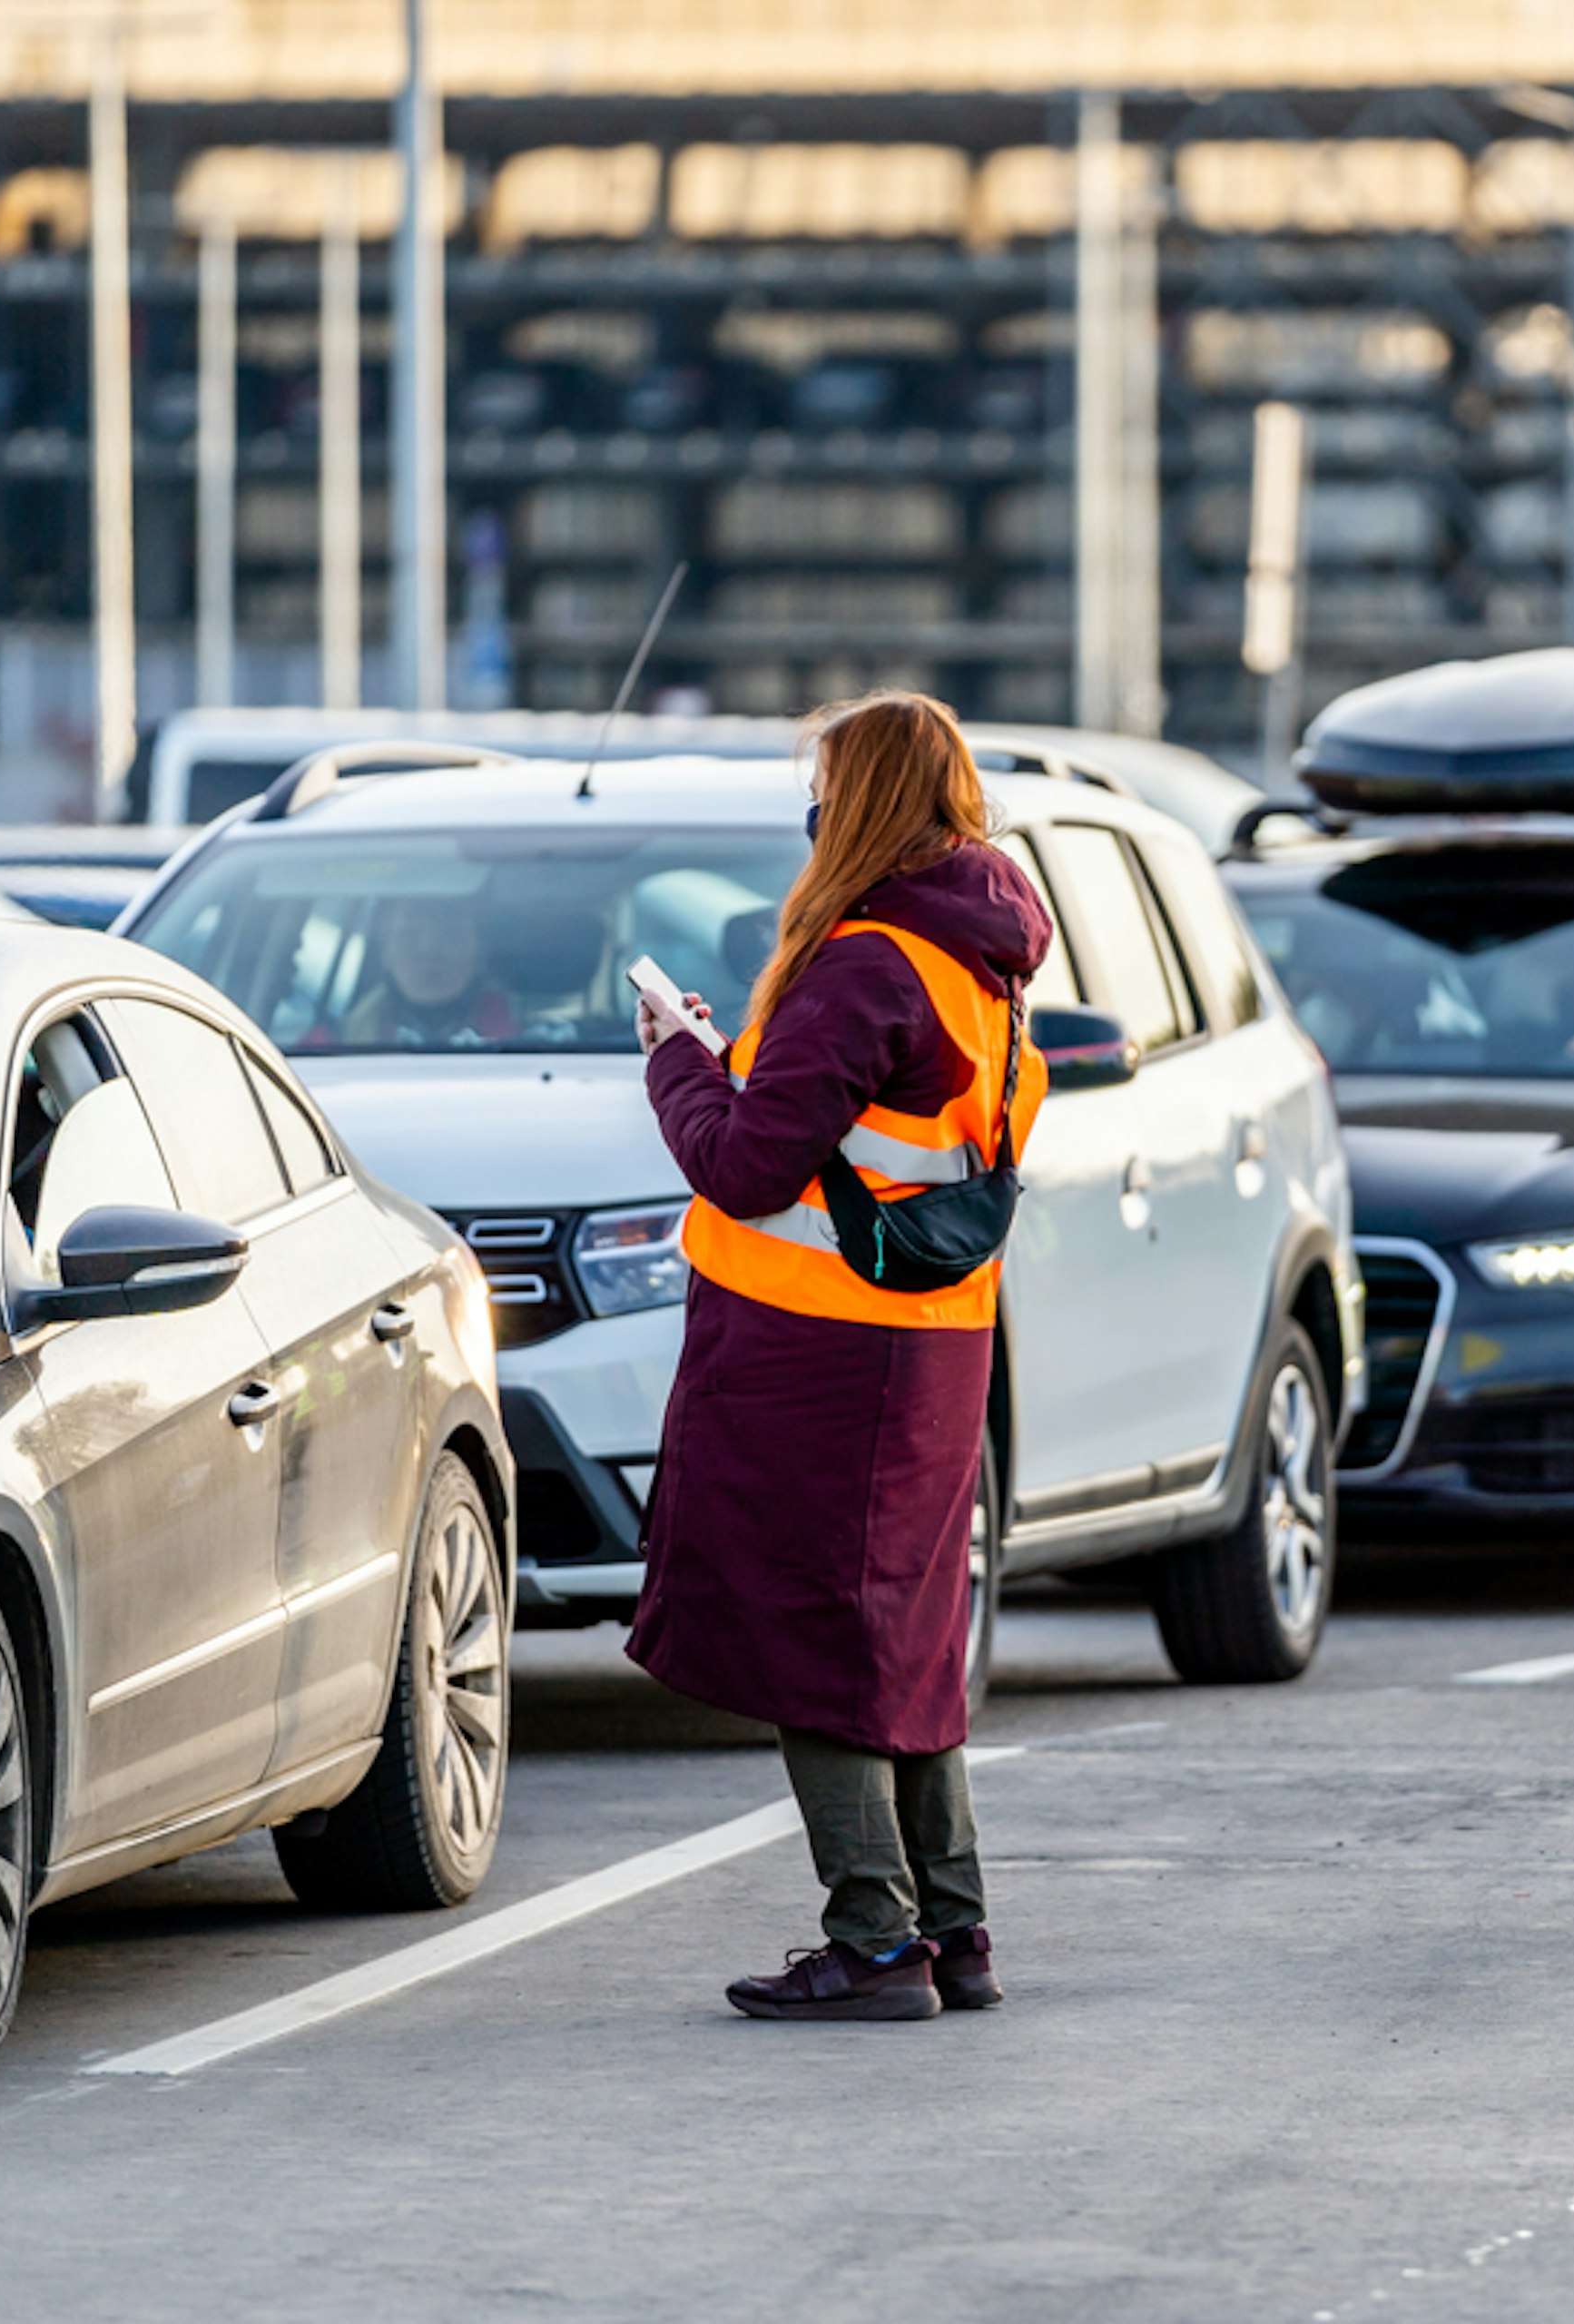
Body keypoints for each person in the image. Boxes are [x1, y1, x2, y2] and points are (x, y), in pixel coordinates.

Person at [628, 692, 1052, 2019]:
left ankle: (875, 1939)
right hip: (929, 1345)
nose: (808, 811)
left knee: (822, 1634)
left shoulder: (865, 959)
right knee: (903, 1633)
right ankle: (956, 1931)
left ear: (859, 801)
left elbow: (749, 1169)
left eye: (822, 785)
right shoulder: (977, 957)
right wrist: (727, 1053)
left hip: (817, 1353)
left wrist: (673, 1068)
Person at [325, 900, 519, 1049]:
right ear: (385, 953)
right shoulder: (323, 1048)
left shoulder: (532, 1048)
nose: (429, 951)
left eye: (449, 935)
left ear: (480, 955)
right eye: (410, 935)